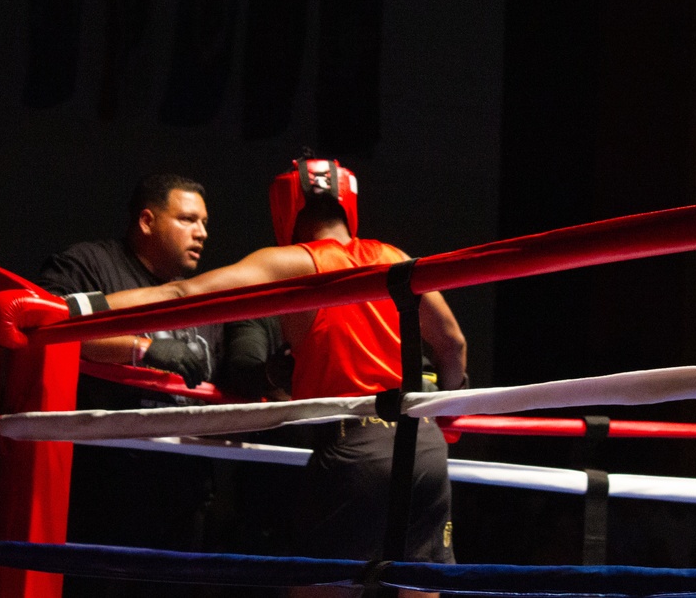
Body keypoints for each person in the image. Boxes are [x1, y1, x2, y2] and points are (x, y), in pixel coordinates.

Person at [94, 155, 468, 588]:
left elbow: (183, 292)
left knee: (319, 586)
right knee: (419, 584)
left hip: (354, 447)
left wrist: (78, 310)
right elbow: (453, 343)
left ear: (286, 208)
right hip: (425, 444)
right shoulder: (394, 257)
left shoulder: (292, 262)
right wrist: (447, 409)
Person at [36, 173, 283, 597]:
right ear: (147, 221)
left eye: (204, 222)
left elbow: (235, 386)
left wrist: (276, 381)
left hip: (183, 496)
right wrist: (141, 349)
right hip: (103, 490)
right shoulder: (91, 264)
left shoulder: (207, 298)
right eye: (188, 219)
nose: (202, 233)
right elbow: (44, 324)